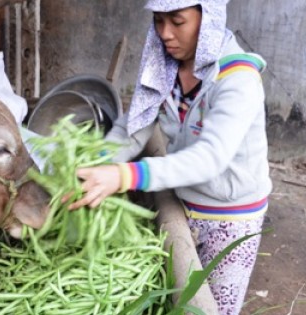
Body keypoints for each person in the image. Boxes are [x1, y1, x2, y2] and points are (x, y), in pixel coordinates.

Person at [68, 1, 271, 314]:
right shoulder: (165, 67)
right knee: (179, 296)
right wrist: (96, 161)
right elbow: (134, 126)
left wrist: (125, 176)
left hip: (230, 217)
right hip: (182, 200)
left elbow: (210, 158)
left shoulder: (237, 79)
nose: (165, 33)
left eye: (177, 21)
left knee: (213, 307)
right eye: (159, 21)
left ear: (210, 18)